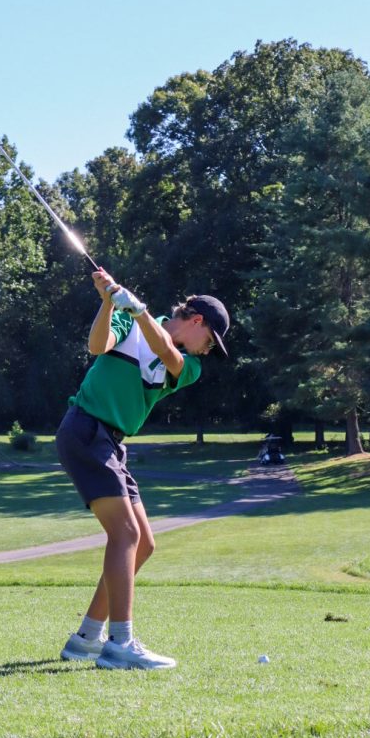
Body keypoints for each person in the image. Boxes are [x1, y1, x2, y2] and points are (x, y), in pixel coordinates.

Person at [56, 269, 230, 670]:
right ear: (196, 321)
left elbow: (167, 353)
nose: (208, 350)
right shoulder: (125, 321)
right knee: (126, 533)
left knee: (144, 543)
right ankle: (120, 643)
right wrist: (107, 302)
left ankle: (86, 638)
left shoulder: (189, 365)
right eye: (211, 341)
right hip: (85, 429)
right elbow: (97, 345)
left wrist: (139, 310)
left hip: (112, 443)